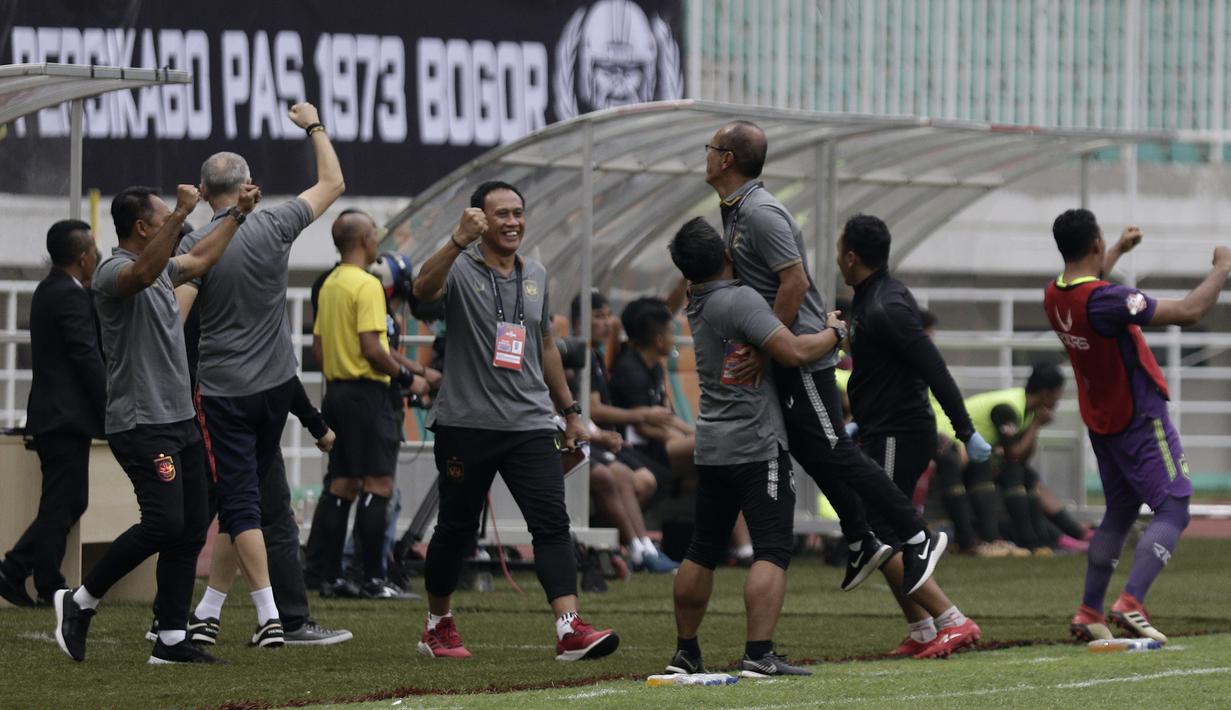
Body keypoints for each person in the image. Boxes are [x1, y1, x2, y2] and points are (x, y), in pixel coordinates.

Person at [704, 120, 979, 593]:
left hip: (804, 357)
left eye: (710, 148)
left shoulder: (760, 213)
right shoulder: (734, 209)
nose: (704, 155)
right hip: (792, 351)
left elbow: (794, 284)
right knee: (815, 450)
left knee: (834, 450)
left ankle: (917, 534)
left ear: (727, 158)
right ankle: (862, 541)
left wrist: (766, 347)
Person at [411, 180, 618, 661]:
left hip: (529, 423)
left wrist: (570, 413)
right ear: (479, 219)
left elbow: (545, 346)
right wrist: (457, 239)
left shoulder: (537, 274)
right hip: (466, 424)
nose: (512, 222)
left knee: (551, 523)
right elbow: (421, 290)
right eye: (501, 214)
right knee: (456, 530)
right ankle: (437, 625)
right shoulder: (459, 265)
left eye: (518, 213)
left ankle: (569, 627)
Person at [52, 182, 257, 665]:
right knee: (164, 523)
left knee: (187, 529)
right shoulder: (113, 271)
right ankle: (79, 601)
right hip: (142, 422)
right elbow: (142, 274)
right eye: (169, 217)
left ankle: (169, 639)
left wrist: (237, 216)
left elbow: (201, 260)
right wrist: (186, 208)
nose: (180, 223)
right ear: (143, 227)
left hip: (179, 418)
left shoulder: (161, 267)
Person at [174, 102, 352, 647]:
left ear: (204, 194)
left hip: (223, 390)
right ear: (249, 184)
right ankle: (209, 610)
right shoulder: (276, 222)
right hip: (274, 390)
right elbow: (333, 181)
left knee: (240, 504)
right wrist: (314, 125)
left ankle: (270, 617)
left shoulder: (194, 244)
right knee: (242, 502)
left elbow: (175, 320)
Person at [666, 217, 846, 677]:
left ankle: (686, 650)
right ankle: (759, 652)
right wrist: (834, 331)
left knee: (702, 548)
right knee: (771, 548)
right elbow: (797, 352)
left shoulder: (697, 299)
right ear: (728, 256)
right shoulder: (740, 299)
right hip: (757, 442)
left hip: (712, 444)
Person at [1047, 212, 1223, 644]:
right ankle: (1131, 601)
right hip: (1139, 418)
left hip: (1102, 421)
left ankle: (1089, 611)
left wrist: (1119, 250)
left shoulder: (1054, 295)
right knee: (1175, 505)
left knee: (1121, 512)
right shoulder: (1108, 300)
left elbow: (1088, 281)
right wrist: (1223, 268)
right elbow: (1190, 311)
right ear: (1094, 243)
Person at [836, 214, 986, 659]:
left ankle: (952, 620)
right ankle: (922, 628)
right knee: (876, 532)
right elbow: (882, 373)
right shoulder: (869, 298)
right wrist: (862, 420)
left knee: (881, 531)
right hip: (882, 428)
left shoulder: (887, 307)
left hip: (900, 433)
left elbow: (932, 368)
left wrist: (965, 431)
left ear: (851, 256)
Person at [312, 212, 432, 599]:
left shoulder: (329, 283)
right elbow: (372, 348)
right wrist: (408, 378)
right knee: (378, 484)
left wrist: (408, 367)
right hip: (368, 395)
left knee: (342, 484)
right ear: (365, 239)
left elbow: (319, 347)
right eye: (375, 235)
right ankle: (374, 580)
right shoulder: (366, 285)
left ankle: (329, 577)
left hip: (338, 393)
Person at [0, 221, 104, 608]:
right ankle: (25, 573)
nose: (97, 256)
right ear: (82, 258)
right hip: (64, 418)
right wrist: (108, 404)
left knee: (67, 500)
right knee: (63, 501)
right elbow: (85, 356)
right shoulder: (71, 297)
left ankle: (34, 576)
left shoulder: (50, 290)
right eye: (94, 251)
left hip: (52, 416)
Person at [569, 291, 676, 574]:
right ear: (580, 324)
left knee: (640, 480)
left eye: (608, 317)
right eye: (599, 317)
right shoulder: (579, 358)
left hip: (601, 441)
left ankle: (636, 546)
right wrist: (642, 415)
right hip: (581, 441)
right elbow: (592, 409)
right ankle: (633, 546)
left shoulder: (597, 356)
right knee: (631, 478)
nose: (607, 323)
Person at [963, 363, 1066, 553]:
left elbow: (1021, 457)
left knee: (1025, 473)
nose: (1061, 397)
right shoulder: (1009, 408)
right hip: (954, 444)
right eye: (1059, 392)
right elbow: (1013, 456)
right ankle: (1026, 540)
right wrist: (1036, 425)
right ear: (1045, 393)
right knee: (1014, 473)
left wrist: (1034, 425)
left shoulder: (1027, 409)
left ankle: (1056, 536)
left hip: (977, 452)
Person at [610, 296, 696, 493]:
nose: (674, 340)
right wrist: (675, 437)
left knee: (711, 447)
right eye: (671, 333)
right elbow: (642, 427)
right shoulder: (629, 370)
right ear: (658, 339)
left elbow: (667, 414)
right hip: (641, 451)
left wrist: (692, 433)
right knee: (712, 446)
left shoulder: (655, 366)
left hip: (661, 444)